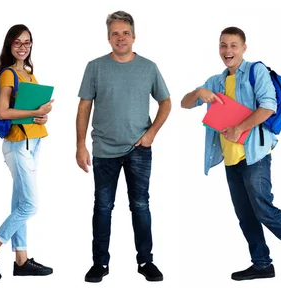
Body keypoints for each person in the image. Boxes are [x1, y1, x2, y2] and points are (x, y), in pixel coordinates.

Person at [181, 26, 281, 282]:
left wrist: (239, 128)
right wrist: (198, 93)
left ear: (243, 48)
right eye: (223, 45)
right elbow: (185, 103)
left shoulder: (255, 71)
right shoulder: (215, 81)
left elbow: (268, 107)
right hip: (229, 158)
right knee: (245, 215)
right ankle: (261, 264)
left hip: (254, 155)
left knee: (263, 209)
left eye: (233, 45)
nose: (228, 51)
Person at [75, 11, 171, 283]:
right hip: (104, 149)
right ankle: (99, 264)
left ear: (134, 36)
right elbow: (84, 107)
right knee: (103, 207)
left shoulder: (149, 67)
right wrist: (80, 146)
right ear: (108, 38)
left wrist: (151, 133)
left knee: (140, 205)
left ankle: (145, 261)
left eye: (125, 33)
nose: (120, 38)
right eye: (115, 33)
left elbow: (166, 102)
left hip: (138, 149)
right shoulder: (94, 67)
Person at [0, 24, 55, 281]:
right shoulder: (9, 74)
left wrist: (41, 117)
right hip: (18, 144)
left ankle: (21, 259)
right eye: (18, 42)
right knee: (30, 205)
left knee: (21, 203)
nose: (23, 47)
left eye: (27, 42)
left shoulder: (29, 74)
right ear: (9, 45)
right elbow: (3, 112)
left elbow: (31, 112)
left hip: (35, 142)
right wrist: (34, 113)